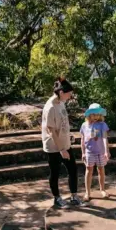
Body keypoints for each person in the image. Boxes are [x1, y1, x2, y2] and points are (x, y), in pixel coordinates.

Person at [42, 78, 81, 208]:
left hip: (65, 143)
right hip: (54, 147)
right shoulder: (50, 107)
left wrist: (68, 134)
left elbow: (63, 121)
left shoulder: (61, 102)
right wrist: (61, 150)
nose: (70, 96)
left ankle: (74, 196)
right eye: (69, 93)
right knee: (55, 172)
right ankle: (57, 198)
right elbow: (51, 130)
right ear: (60, 92)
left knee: (73, 170)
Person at [79, 103, 111, 201]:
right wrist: (83, 152)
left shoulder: (102, 125)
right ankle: (87, 192)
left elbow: (105, 138)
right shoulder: (84, 125)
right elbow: (82, 140)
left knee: (101, 169)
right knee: (89, 170)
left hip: (100, 152)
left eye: (98, 114)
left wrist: (106, 151)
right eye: (94, 114)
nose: (96, 116)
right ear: (89, 115)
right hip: (89, 152)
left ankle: (102, 189)